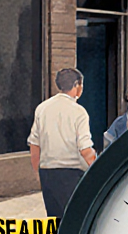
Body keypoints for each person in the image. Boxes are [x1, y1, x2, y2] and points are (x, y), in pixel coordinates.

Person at [29, 68, 96, 218]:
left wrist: (37, 172)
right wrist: (98, 168)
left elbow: (34, 144)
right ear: (77, 85)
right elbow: (85, 149)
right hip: (70, 174)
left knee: (55, 222)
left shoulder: (42, 108)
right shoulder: (79, 112)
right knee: (75, 220)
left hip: (47, 172)